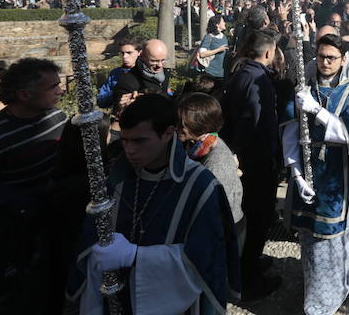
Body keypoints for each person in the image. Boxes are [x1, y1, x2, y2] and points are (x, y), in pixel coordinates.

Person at [66, 94, 240, 313]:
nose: (129, 150)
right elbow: (91, 238)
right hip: (117, 299)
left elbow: (206, 261)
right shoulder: (117, 179)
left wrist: (136, 256)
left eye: (139, 141)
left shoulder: (200, 186)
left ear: (168, 133)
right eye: (126, 140)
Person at [282, 33, 349, 315]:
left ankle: (334, 290)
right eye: (321, 56)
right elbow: (290, 136)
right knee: (309, 236)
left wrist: (318, 112)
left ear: (343, 59)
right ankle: (315, 292)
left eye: (331, 58)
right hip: (307, 174)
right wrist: (297, 175)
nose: (325, 62)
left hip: (337, 174)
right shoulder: (304, 90)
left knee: (333, 232)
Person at [0, 59, 66, 314]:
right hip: (12, 243)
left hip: (53, 229)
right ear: (24, 94)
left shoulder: (58, 118)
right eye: (52, 86)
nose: (61, 90)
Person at [219, 30, 283, 297]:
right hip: (256, 161)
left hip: (246, 158)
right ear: (268, 53)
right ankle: (250, 276)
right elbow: (253, 121)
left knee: (252, 215)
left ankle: (251, 261)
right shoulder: (259, 80)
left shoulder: (240, 73)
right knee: (259, 216)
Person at [178, 92, 244, 226]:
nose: (176, 127)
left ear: (200, 124)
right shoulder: (198, 146)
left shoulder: (216, 164)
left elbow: (213, 211)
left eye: (182, 123)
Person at [110, 38, 173, 115]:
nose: (159, 65)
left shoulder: (165, 74)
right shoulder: (127, 82)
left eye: (163, 60)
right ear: (142, 56)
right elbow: (120, 113)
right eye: (154, 61)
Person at [96, 35, 142, 109]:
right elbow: (101, 100)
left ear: (139, 52)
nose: (124, 57)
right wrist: (117, 92)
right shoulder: (115, 74)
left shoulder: (147, 73)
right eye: (122, 53)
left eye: (129, 53)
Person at [197, 13, 230, 83]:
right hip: (210, 73)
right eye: (223, 21)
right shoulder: (209, 37)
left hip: (222, 74)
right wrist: (219, 50)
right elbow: (202, 54)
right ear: (217, 25)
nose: (225, 23)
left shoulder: (224, 37)